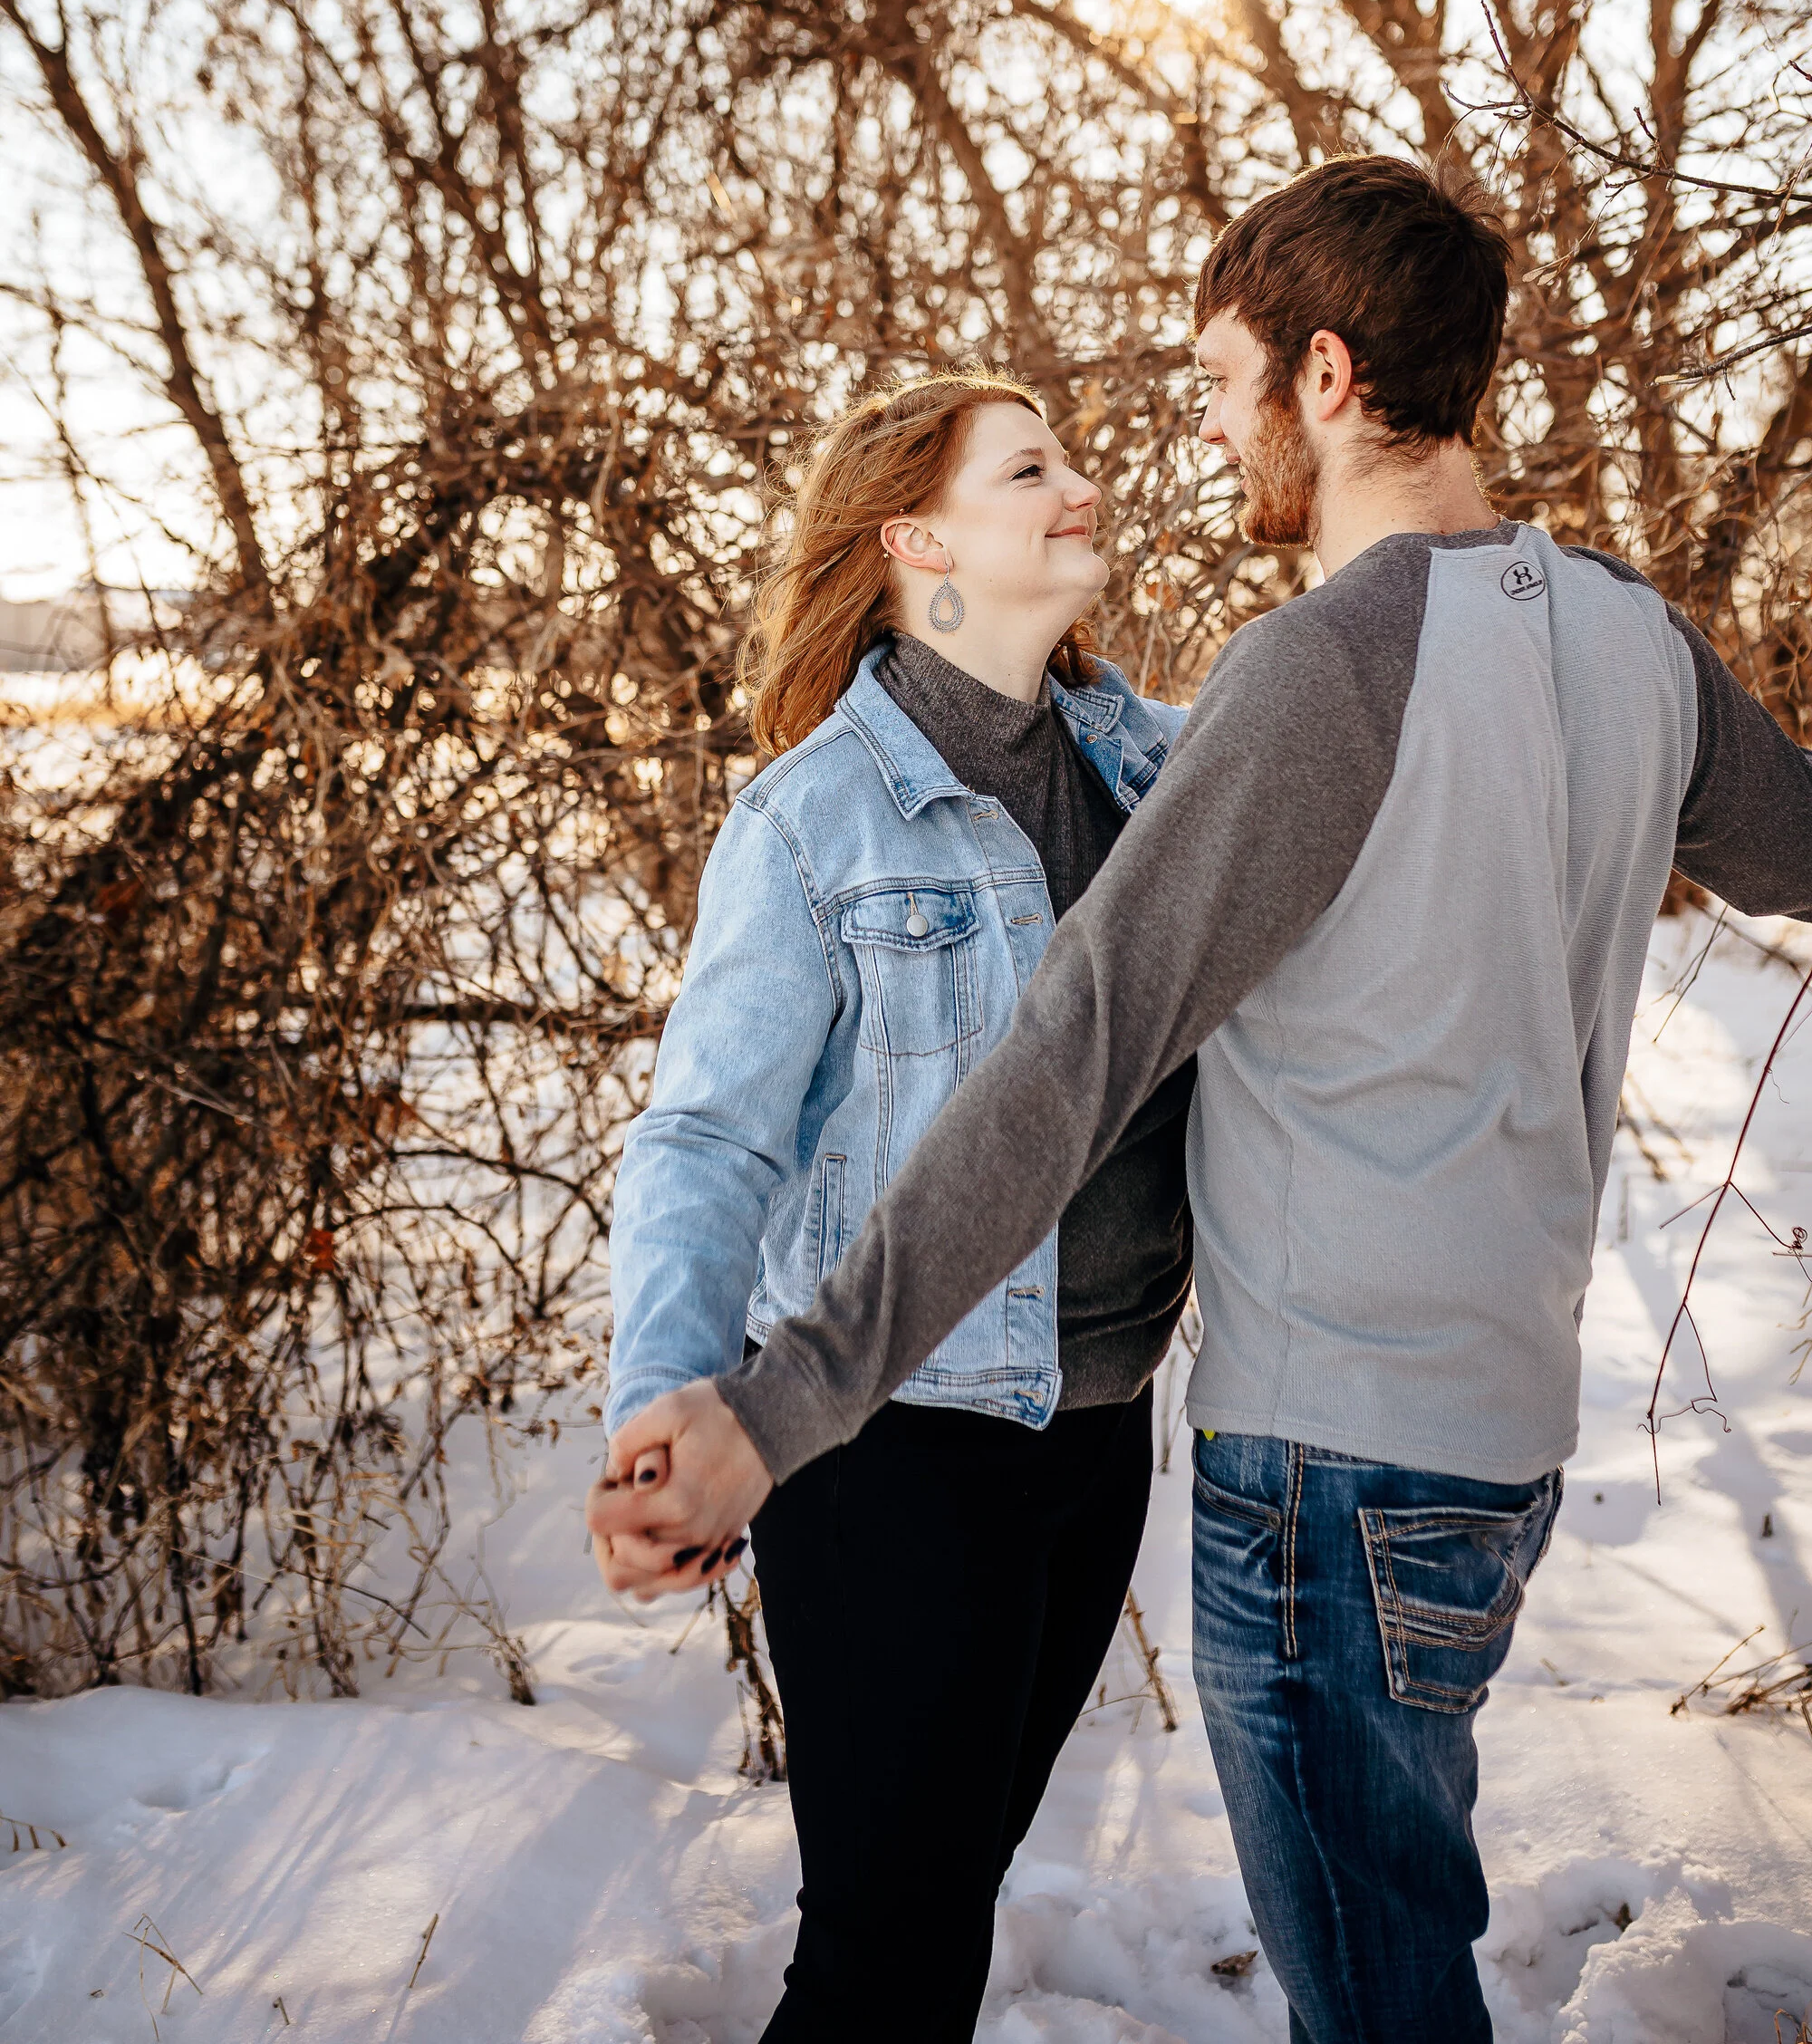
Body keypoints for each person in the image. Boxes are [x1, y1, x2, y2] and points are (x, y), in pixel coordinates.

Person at [595, 155, 1812, 2044]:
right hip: (1492, 1442)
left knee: (1372, 1996)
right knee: (958, 1937)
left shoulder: (1300, 681)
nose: (1193, 439)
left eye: (1223, 382)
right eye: (1034, 466)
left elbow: (1076, 1051)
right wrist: (704, 1381)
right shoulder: (1630, 635)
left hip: (1325, 1456)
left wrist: (778, 1400)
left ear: (1323, 376)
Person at [592, 369, 1199, 2044]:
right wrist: (670, 1409)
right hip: (892, 1454)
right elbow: (707, 1137)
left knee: (940, 1898)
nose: (1082, 488)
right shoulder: (816, 818)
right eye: (1030, 470)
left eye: (1070, 460)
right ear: (917, 540)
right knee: (890, 1958)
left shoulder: (1151, 766)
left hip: (1098, 1432)